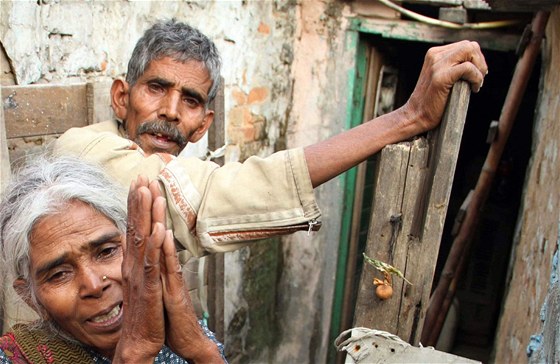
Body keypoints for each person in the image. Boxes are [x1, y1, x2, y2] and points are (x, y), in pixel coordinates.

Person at [52, 19, 488, 262]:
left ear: (202, 126)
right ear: (121, 98)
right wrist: (407, 118)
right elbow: (206, 198)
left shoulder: (169, 165)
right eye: (155, 88)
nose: (169, 111)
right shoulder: (82, 151)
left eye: (189, 100)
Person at [0, 156, 226, 363]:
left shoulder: (183, 333)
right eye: (59, 274)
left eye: (106, 252)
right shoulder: (14, 359)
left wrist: (199, 349)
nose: (94, 285)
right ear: (31, 298)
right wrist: (136, 354)